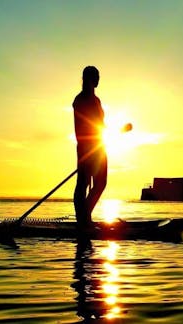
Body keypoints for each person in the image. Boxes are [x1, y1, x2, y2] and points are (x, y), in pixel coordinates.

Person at [73, 66, 107, 231]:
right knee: (83, 183)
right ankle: (83, 220)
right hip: (86, 148)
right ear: (90, 78)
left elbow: (100, 124)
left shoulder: (97, 100)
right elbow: (80, 128)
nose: (99, 79)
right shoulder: (80, 100)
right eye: (97, 76)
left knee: (100, 183)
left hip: (100, 147)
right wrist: (86, 150)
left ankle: (85, 216)